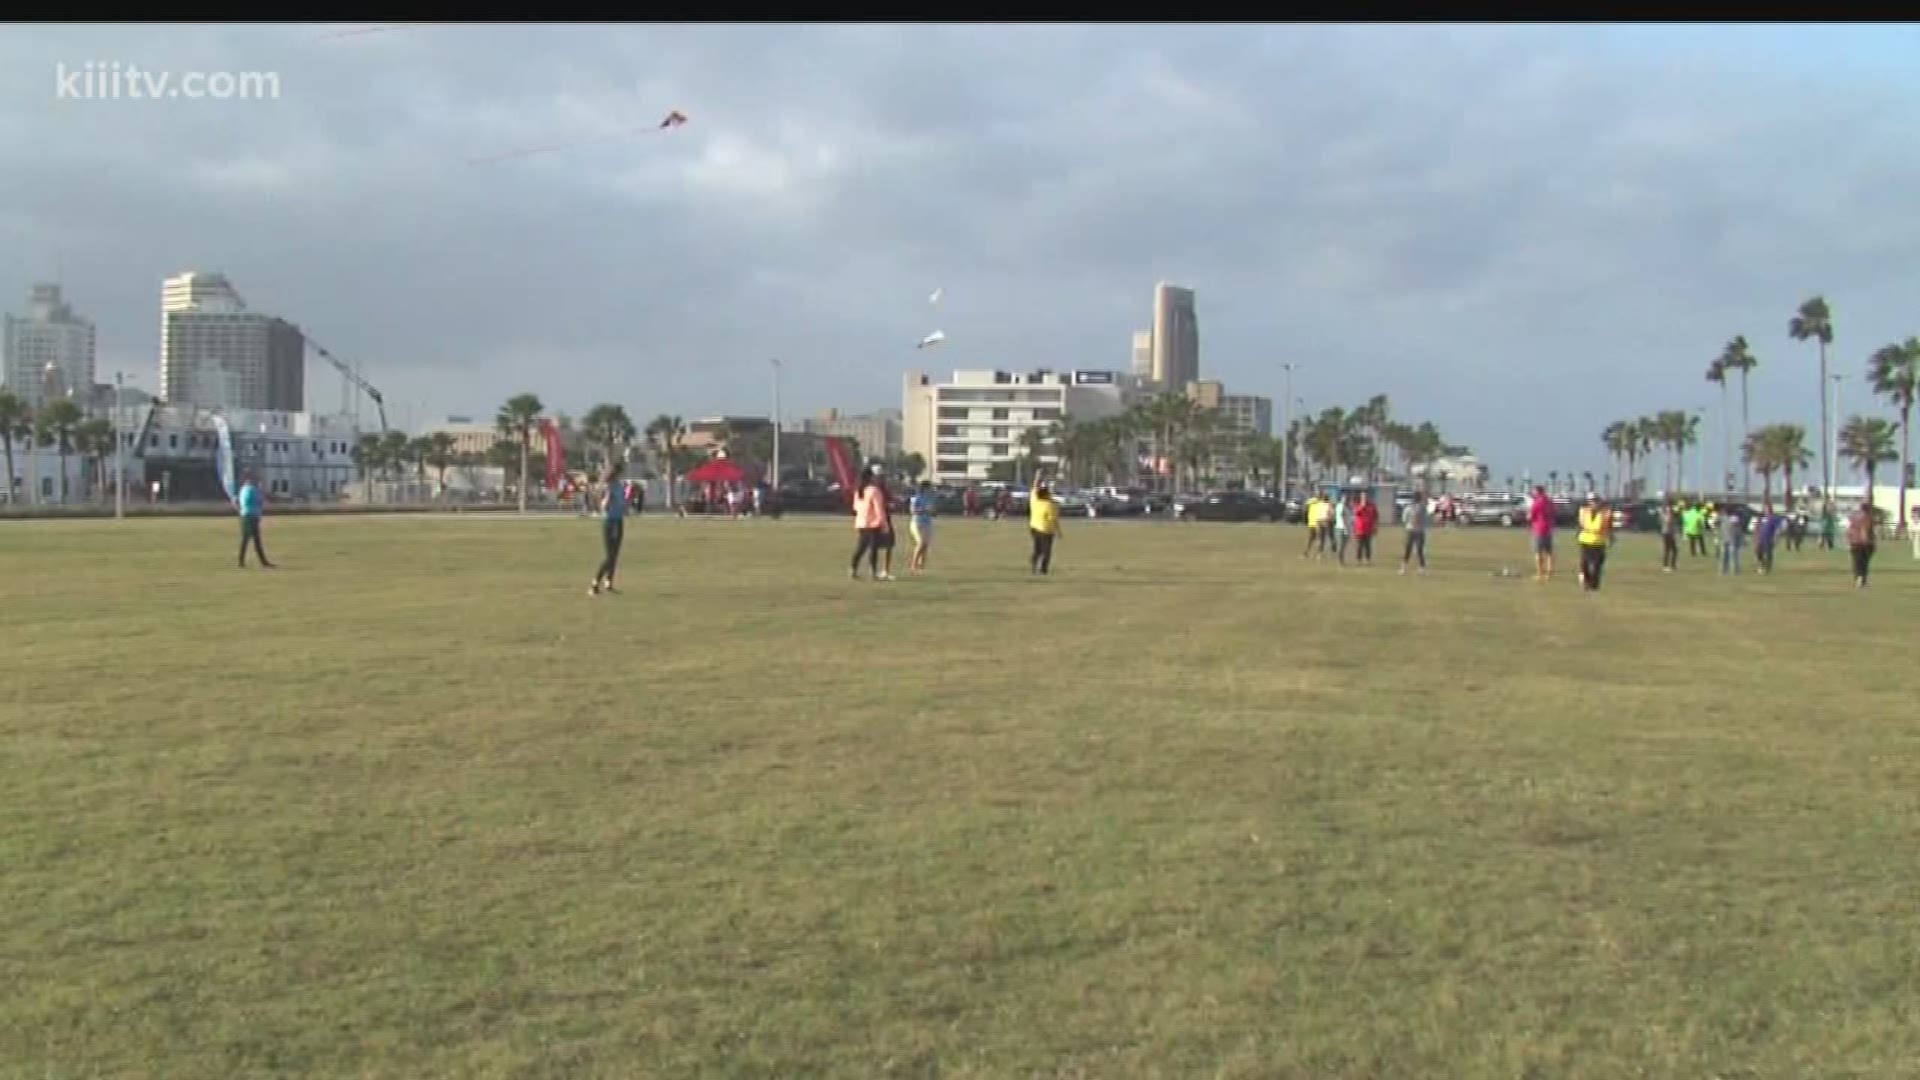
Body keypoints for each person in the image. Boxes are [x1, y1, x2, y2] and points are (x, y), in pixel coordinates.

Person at [588, 462, 626, 596]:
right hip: (610, 522)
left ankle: (609, 583)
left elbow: (622, 502)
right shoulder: (610, 487)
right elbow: (603, 505)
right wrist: (607, 502)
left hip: (619, 521)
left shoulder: (619, 486)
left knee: (615, 555)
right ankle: (594, 583)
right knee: (610, 556)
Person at [849, 470, 889, 580]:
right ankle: (873, 572)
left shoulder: (859, 491)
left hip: (861, 523)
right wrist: (883, 523)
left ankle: (853, 569)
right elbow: (879, 508)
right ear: (871, 477)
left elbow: (855, 508)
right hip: (873, 523)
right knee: (873, 548)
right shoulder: (874, 490)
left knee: (860, 548)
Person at [235, 471, 274, 569]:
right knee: (251, 540)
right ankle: (245, 562)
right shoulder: (252, 489)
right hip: (251, 516)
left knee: (249, 539)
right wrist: (261, 495)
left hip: (247, 516)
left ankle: (244, 562)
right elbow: (258, 501)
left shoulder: (244, 489)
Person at [1576, 492, 1611, 592]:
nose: (1593, 502)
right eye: (1591, 500)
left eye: (1595, 500)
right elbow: (1580, 525)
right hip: (1585, 541)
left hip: (1599, 542)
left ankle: (1594, 586)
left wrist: (1610, 538)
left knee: (1596, 566)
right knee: (1584, 564)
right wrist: (1577, 536)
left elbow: (1608, 526)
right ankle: (1587, 582)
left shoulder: (1605, 512)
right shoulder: (1584, 511)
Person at [1029, 482, 1062, 574]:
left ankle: (1034, 566)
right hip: (1046, 530)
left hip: (1034, 528)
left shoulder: (1034, 501)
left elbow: (1034, 488)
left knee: (1037, 549)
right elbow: (1053, 519)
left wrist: (1037, 476)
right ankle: (1043, 569)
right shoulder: (1048, 505)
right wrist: (1059, 531)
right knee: (1046, 551)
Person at [1528, 485, 1555, 582]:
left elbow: (1530, 516)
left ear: (1537, 492)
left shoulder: (1537, 502)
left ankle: (1540, 574)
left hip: (1539, 529)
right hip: (1549, 529)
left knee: (1538, 553)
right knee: (1549, 552)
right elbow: (1553, 513)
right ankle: (1549, 573)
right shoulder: (1549, 501)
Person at [1400, 488, 1430, 575]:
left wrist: (1409, 524)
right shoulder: (1420, 508)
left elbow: (1404, 518)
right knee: (1414, 549)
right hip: (1416, 531)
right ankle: (1419, 568)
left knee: (1414, 549)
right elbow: (1426, 519)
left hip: (1413, 530)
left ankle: (1407, 568)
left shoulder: (1414, 507)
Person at [908, 480, 936, 573]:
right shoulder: (916, 497)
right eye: (930, 487)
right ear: (925, 488)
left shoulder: (930, 498)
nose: (931, 489)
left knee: (925, 545)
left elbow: (932, 511)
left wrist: (932, 511)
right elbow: (912, 511)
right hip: (917, 522)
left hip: (927, 522)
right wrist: (924, 509)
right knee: (920, 543)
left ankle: (921, 565)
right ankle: (913, 565)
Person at [1846, 502, 1876, 587]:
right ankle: (1863, 579)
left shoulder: (1853, 518)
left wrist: (1848, 541)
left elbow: (1849, 530)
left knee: (1856, 562)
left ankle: (1859, 578)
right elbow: (1866, 531)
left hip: (1854, 543)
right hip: (1866, 543)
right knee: (1864, 562)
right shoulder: (1868, 519)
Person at [1718, 501, 1746, 576]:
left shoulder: (1733, 517)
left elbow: (1736, 528)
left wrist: (1740, 538)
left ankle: (1735, 571)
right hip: (1725, 539)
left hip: (1731, 539)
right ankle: (1725, 571)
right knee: (1726, 556)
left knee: (1732, 556)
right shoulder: (1723, 517)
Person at [1352, 491, 1379, 564]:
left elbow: (1376, 516)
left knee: (1368, 545)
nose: (1364, 498)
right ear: (1360, 497)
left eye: (1365, 496)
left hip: (1369, 529)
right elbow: (1356, 513)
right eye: (1363, 496)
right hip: (1359, 529)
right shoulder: (1357, 504)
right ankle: (1359, 559)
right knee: (1360, 545)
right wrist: (1361, 506)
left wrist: (1375, 526)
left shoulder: (1372, 505)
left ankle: (1368, 559)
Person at [1754, 504, 1782, 575]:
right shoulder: (1764, 518)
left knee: (1769, 554)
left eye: (1766, 509)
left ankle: (1768, 569)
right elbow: (1759, 528)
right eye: (1765, 509)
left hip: (1769, 539)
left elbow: (1778, 529)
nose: (1765, 511)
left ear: (1770, 510)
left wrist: (1776, 539)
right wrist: (1758, 537)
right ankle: (1762, 563)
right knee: (1758, 552)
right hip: (1762, 538)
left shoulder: (1773, 518)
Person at [1658, 497, 1681, 572]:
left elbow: (1663, 520)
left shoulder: (1666, 511)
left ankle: (1671, 566)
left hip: (1667, 532)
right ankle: (1667, 566)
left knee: (1672, 550)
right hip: (1668, 533)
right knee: (1670, 550)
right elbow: (1668, 522)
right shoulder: (1669, 511)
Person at [1301, 493, 1325, 559]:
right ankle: (1318, 554)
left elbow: (1305, 509)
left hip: (1311, 521)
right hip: (1318, 522)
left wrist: (1305, 519)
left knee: (1310, 538)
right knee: (1318, 538)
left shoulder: (1310, 501)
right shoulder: (1322, 502)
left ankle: (1306, 553)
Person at [1333, 493, 1352, 565]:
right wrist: (1345, 528)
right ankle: (1340, 561)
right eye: (1344, 498)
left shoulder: (1345, 506)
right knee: (1341, 545)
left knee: (1343, 546)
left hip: (1344, 528)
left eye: (1347, 498)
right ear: (1342, 499)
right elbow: (1342, 517)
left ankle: (1341, 560)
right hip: (1341, 528)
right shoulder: (1341, 506)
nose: (1346, 499)